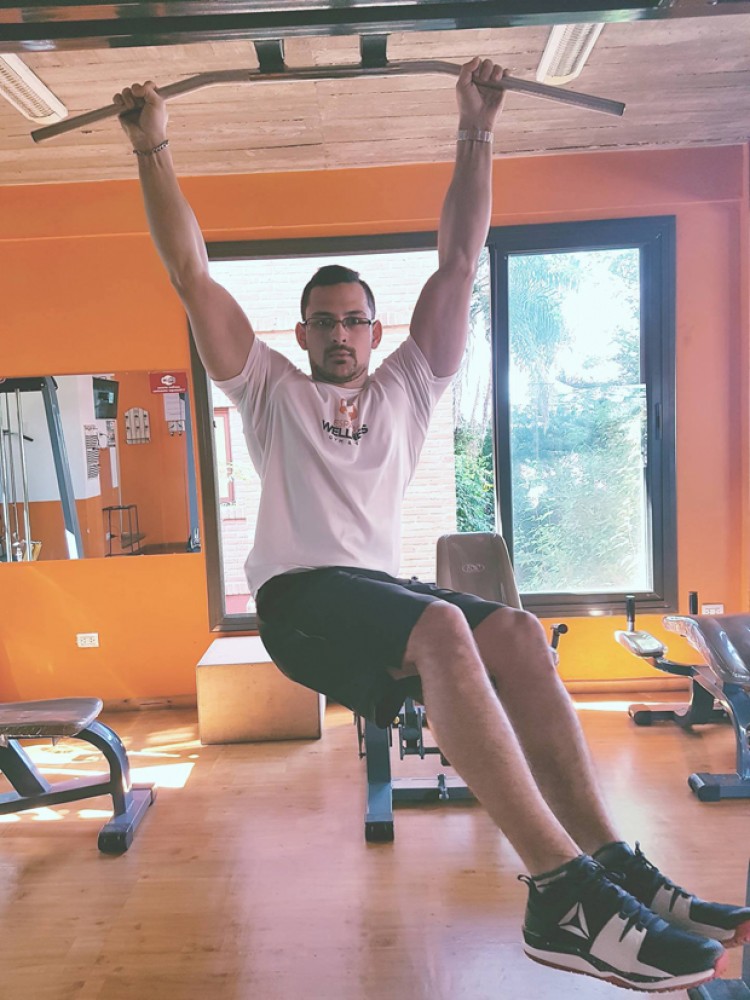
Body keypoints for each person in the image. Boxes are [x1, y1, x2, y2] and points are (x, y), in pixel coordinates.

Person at [114, 58, 749, 992]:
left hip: (374, 589)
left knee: (519, 634)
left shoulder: (407, 389)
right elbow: (191, 272)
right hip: (298, 601)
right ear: (302, 334)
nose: (339, 334)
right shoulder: (269, 391)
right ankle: (562, 896)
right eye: (323, 321)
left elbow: (458, 259)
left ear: (376, 332)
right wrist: (152, 147)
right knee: (444, 624)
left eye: (354, 321)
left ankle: (615, 867)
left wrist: (477, 125)